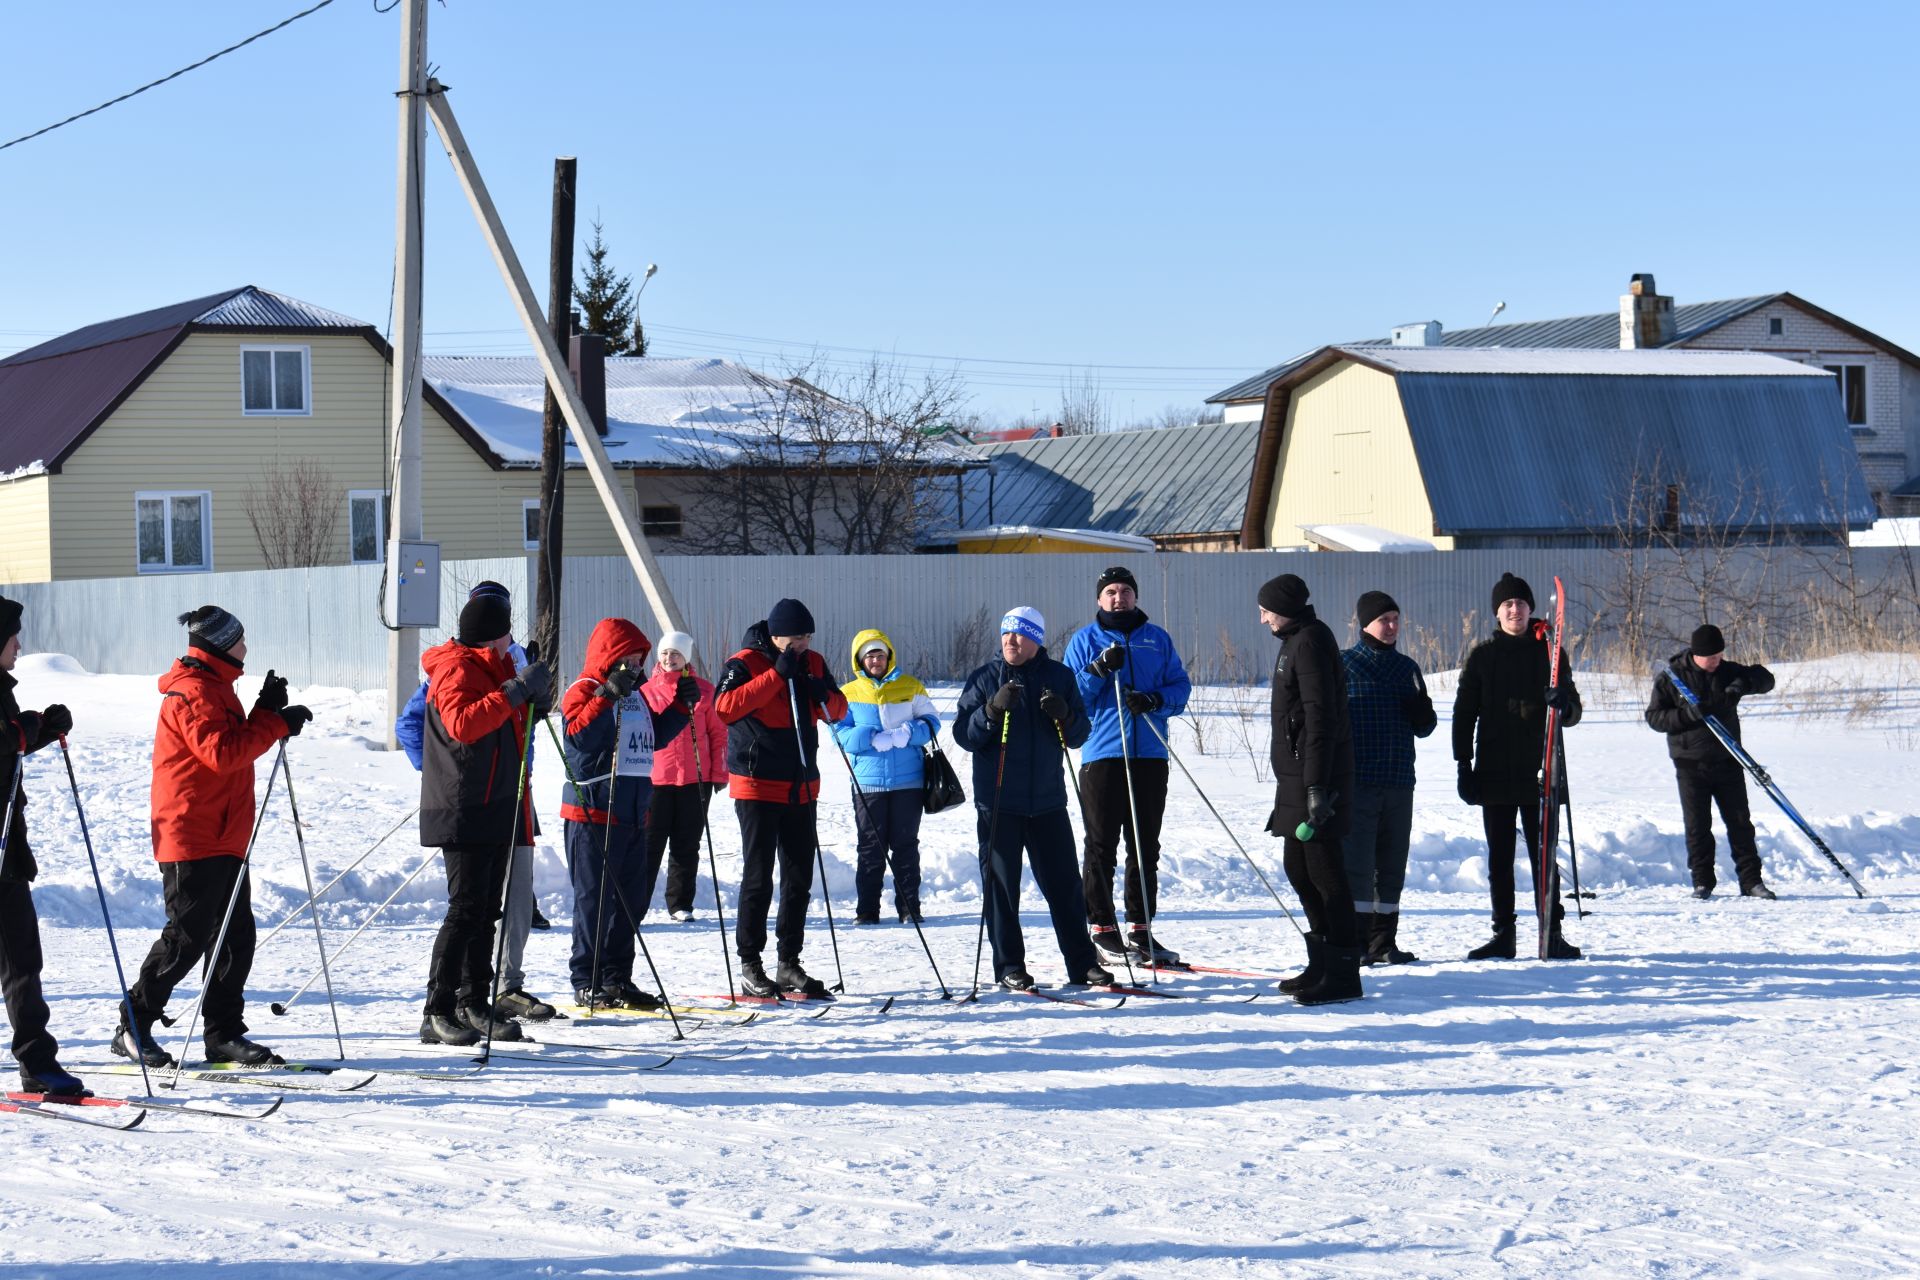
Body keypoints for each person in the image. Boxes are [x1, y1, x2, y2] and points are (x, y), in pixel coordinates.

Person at [118, 606, 311, 1067]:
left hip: (222, 833)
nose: (246, 648)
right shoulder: (193, 693)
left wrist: (264, 711)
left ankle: (222, 1032)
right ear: (223, 644)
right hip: (192, 833)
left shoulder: (217, 690)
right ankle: (133, 1023)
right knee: (187, 937)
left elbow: (230, 742)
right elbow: (222, 754)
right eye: (241, 640)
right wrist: (275, 723)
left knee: (234, 936)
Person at [395, 580, 557, 1021]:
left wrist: (534, 702)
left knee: (486, 911)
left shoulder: (492, 666)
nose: (512, 639)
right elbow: (464, 724)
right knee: (465, 911)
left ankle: (474, 1003)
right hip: (464, 805)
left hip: (497, 800)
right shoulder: (455, 668)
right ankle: (438, 1010)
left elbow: (505, 726)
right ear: (494, 632)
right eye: (506, 629)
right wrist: (516, 692)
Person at [953, 607, 1113, 992]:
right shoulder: (985, 678)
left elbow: (1078, 734)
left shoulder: (1058, 677)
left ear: (1036, 640)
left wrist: (1064, 716)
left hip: (1047, 803)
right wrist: (991, 710)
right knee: (1002, 890)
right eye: (1007, 634)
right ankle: (1010, 966)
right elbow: (963, 735)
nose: (1011, 641)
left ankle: (1083, 964)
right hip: (998, 803)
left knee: (1065, 888)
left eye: (1021, 635)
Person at [714, 599, 850, 999]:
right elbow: (725, 708)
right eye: (796, 638)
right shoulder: (743, 663)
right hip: (756, 784)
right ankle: (749, 963)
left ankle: (788, 961)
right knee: (758, 876)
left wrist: (819, 689)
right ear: (776, 637)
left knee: (799, 878)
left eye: (808, 637)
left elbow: (837, 710)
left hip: (802, 785)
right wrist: (776, 675)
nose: (803, 644)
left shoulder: (814, 661)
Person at [1064, 566, 1193, 966]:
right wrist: (1099, 669)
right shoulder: (1085, 640)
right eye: (1111, 592)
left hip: (1149, 754)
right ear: (1099, 599)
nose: (1119, 598)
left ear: (1136, 596)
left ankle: (1140, 926)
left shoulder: (1156, 639)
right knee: (1101, 844)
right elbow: (1073, 698)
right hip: (1103, 753)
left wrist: (1155, 701)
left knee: (1144, 845)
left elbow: (1180, 687)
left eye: (1125, 591)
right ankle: (1102, 927)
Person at [561, 618, 692, 1008]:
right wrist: (606, 695)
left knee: (630, 900)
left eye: (639, 660)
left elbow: (648, 740)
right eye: (628, 660)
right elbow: (579, 737)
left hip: (634, 811)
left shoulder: (636, 696)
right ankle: (587, 978)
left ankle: (617, 977)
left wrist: (681, 708)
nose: (635, 668)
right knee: (595, 900)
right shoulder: (583, 688)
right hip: (594, 811)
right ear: (610, 658)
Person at [1454, 571, 1582, 961]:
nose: (1515, 610)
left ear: (1531, 610)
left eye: (1521, 604)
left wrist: (1563, 703)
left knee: (1545, 854)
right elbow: (1464, 713)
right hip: (1493, 768)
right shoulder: (1482, 656)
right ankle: (1503, 933)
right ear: (1497, 612)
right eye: (1507, 605)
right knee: (1499, 857)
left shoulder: (1550, 652)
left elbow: (1574, 711)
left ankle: (1552, 929)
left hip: (1540, 769)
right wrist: (1464, 763)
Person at [1258, 575, 1362, 1006]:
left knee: (1325, 875)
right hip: (1296, 779)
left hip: (1315, 779)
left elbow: (1321, 717)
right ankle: (1320, 961)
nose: (1262, 617)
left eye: (1267, 609)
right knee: (1299, 872)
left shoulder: (1312, 641)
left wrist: (1318, 786)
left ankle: (1342, 973)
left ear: (1284, 607)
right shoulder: (1296, 639)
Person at [0, 597, 88, 1095]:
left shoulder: (3, 692)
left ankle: (37, 1064)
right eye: (13, 636)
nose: (20, 644)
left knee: (23, 963)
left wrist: (41, 730)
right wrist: (23, 728)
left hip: (8, 850)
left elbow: (7, 742)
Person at [1645, 623, 1778, 901]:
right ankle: (1702, 882)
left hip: (1729, 760)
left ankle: (1751, 881)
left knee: (1741, 823)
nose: (1717, 661)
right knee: (1697, 826)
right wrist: (1688, 715)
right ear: (1696, 654)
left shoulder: (1727, 671)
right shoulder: (1672, 678)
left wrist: (1744, 684)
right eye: (1711, 657)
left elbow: (1766, 679)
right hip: (1690, 764)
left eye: (1720, 655)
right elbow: (1655, 718)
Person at [1339, 591, 1436, 965]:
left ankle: (1383, 943)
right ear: (1364, 623)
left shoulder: (1407, 668)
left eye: (1396, 619)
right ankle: (1358, 943)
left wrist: (1421, 710)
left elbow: (1425, 728)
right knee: (1359, 865)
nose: (1393, 626)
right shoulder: (1344, 664)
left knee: (1391, 865)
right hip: (1360, 781)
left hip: (1399, 781)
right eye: (1385, 620)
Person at [832, 628, 941, 925]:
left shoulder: (911, 686)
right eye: (869, 655)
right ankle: (867, 910)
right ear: (860, 660)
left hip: (909, 780)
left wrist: (907, 734)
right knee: (871, 847)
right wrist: (868, 736)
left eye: (880, 654)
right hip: (868, 783)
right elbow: (839, 734)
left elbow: (932, 723)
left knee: (905, 846)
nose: (875, 660)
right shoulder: (848, 693)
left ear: (888, 655)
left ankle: (909, 907)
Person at [640, 631, 725, 923]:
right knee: (650, 845)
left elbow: (717, 733)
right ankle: (637, 902)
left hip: (695, 779)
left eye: (675, 653)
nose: (669, 658)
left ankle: (679, 903)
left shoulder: (704, 690)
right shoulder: (647, 691)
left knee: (686, 845)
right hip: (656, 780)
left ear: (686, 657)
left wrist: (718, 773)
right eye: (665, 653)